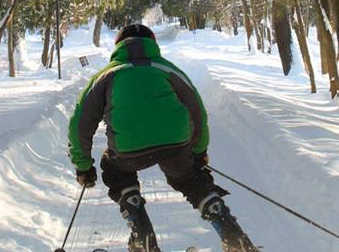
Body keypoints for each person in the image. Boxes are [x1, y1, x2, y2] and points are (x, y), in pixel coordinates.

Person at [67, 23, 258, 252]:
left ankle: (142, 234)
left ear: (118, 45)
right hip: (176, 144)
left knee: (115, 169)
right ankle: (232, 235)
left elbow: (80, 124)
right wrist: (198, 153)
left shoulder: (107, 75)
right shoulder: (168, 69)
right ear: (153, 43)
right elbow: (197, 112)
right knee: (191, 180)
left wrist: (83, 166)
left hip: (128, 151)